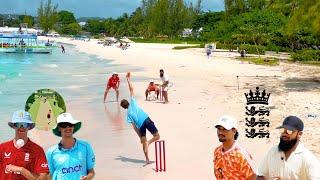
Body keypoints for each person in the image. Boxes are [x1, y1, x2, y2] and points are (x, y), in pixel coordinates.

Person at [257, 116, 320, 180]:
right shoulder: (273, 152)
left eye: (289, 131)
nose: (284, 134)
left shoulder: (307, 158)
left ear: (299, 134)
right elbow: (260, 175)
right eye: (282, 130)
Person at [120, 72, 160, 164]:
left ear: (123, 107)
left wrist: (140, 137)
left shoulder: (128, 115)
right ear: (128, 102)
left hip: (140, 126)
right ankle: (149, 142)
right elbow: (131, 89)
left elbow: (134, 127)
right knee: (157, 136)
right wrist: (128, 79)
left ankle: (147, 159)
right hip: (146, 120)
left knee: (143, 142)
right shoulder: (133, 102)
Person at [0, 110, 49, 180]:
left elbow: (43, 179)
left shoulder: (38, 150)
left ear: (29, 127)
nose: (21, 127)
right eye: (18, 124)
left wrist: (22, 170)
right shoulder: (2, 148)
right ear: (14, 126)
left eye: (25, 124)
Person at [46, 113, 95, 180]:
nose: (68, 127)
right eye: (64, 125)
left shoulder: (85, 146)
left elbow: (91, 172)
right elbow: (49, 176)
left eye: (70, 124)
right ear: (59, 128)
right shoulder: (51, 152)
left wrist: (87, 178)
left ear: (73, 126)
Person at [213, 115, 256, 180]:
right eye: (219, 129)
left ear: (234, 131)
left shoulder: (240, 155)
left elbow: (253, 176)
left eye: (225, 129)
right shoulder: (217, 151)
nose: (220, 132)